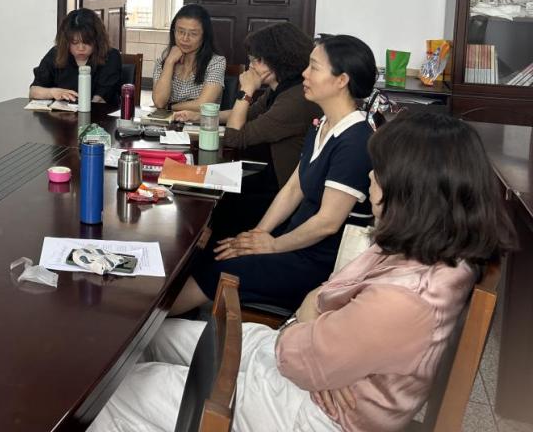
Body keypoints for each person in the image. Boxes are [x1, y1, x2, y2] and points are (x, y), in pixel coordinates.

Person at [89, 112, 514, 432]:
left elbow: (296, 355)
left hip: (313, 413)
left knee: (118, 388)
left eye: (380, 171)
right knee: (150, 337)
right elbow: (323, 300)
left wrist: (311, 325)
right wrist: (317, 326)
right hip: (307, 372)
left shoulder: (405, 298)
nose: (370, 176)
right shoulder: (432, 248)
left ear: (412, 189)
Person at [174, 34, 377, 314]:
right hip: (296, 242)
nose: (305, 74)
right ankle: (170, 320)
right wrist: (257, 235)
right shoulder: (322, 125)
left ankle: (151, 324)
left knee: (220, 267)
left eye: (314, 67)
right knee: (217, 249)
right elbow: (293, 190)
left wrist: (271, 245)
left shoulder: (355, 141)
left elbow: (328, 223)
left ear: (341, 80)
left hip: (317, 263)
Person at [176, 22, 321, 238]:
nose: (251, 66)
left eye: (257, 60)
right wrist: (200, 116)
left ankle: (204, 250)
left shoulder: (295, 100)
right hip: (272, 177)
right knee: (204, 191)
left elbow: (235, 138)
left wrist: (246, 91)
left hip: (283, 192)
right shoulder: (281, 89)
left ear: (279, 60)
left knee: (214, 202)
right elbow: (247, 113)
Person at [29, 8, 122, 107]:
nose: (81, 48)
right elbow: (33, 91)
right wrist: (52, 92)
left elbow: (99, 100)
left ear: (97, 41)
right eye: (75, 42)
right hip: (62, 115)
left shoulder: (110, 56)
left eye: (87, 42)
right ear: (66, 42)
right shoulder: (56, 54)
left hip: (98, 114)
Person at [151, 4, 225, 112]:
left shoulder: (216, 62)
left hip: (199, 122)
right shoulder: (163, 63)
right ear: (173, 31)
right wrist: (169, 62)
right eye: (180, 32)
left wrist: (170, 107)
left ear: (205, 36)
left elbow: (204, 104)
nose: (185, 38)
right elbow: (159, 102)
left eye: (193, 34)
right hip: (167, 122)